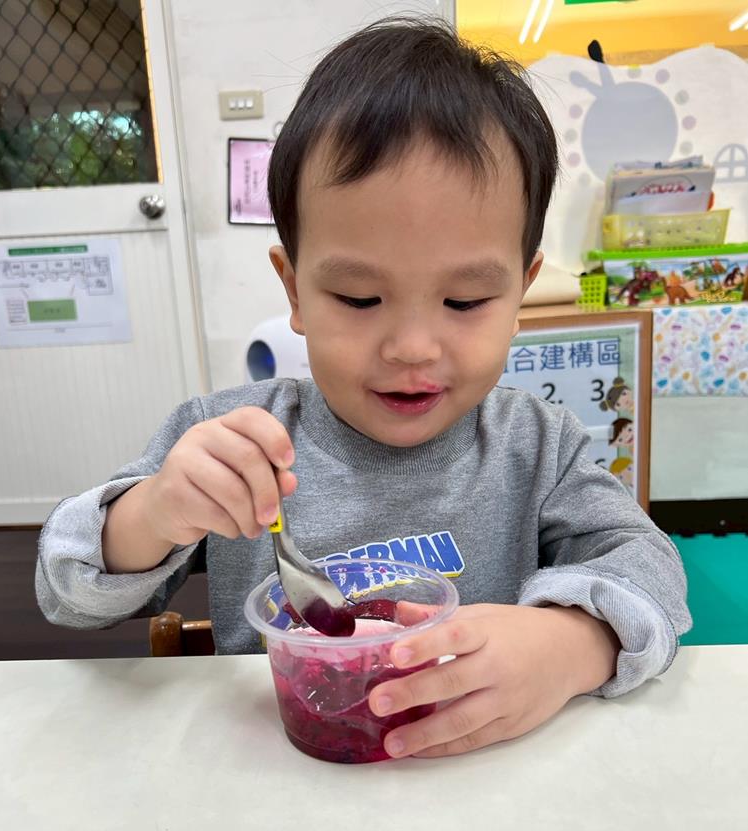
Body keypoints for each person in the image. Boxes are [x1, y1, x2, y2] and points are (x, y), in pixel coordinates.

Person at [37, 18, 691, 759]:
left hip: (479, 780)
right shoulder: (230, 436)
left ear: (521, 292)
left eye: (465, 301)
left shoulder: (538, 447)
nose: (412, 347)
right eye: (358, 298)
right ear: (294, 290)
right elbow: (66, 592)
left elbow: (651, 568)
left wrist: (573, 642)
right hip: (279, 774)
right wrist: (154, 511)